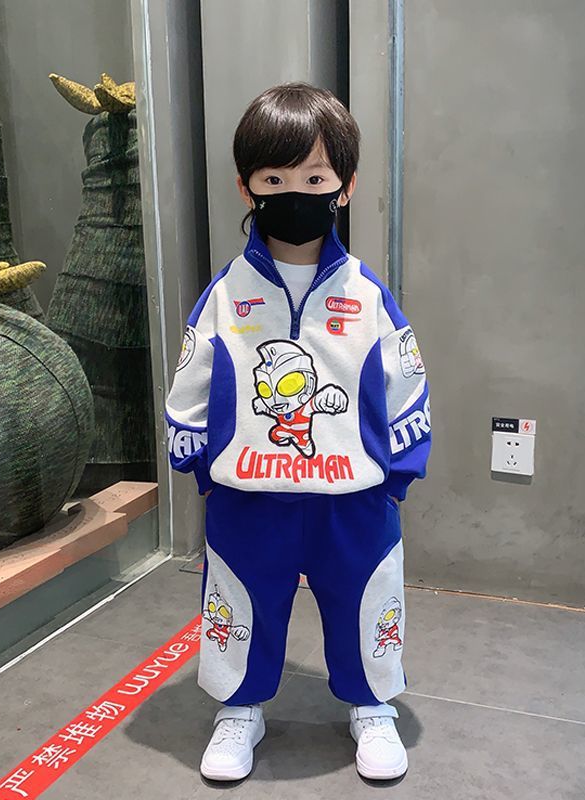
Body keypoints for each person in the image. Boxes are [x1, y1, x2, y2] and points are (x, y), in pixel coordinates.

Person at [165, 82, 431, 782]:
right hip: (249, 496)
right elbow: (191, 385)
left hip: (354, 497)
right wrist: (204, 468)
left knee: (367, 597)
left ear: (345, 186)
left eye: (314, 179)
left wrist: (396, 477)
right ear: (246, 186)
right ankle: (239, 709)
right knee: (239, 600)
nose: (295, 194)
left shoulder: (366, 295)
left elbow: (405, 382)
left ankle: (372, 707)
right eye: (274, 179)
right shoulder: (225, 295)